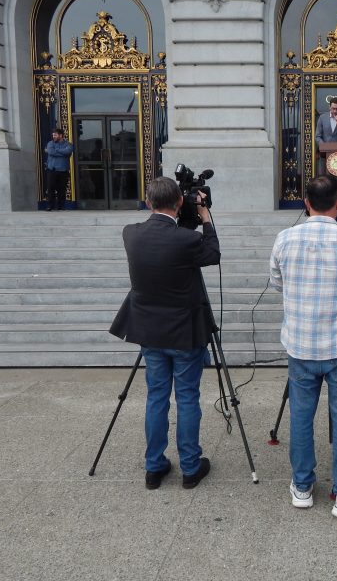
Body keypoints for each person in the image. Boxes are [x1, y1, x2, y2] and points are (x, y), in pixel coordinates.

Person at [270, 175, 337, 520]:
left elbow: (276, 282)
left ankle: (302, 487)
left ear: (306, 203)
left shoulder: (285, 238)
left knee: (301, 417)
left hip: (300, 345)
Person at [109, 177, 220, 490]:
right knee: (187, 398)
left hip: (150, 333)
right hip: (185, 334)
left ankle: (154, 466)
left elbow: (164, 237)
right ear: (180, 203)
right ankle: (189, 467)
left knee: (156, 397)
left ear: (148, 203)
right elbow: (213, 254)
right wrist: (205, 216)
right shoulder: (187, 240)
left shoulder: (131, 234)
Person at [314, 97, 337, 176]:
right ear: (329, 107)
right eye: (333, 108)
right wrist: (324, 146)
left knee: (336, 178)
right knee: (323, 177)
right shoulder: (322, 118)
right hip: (324, 155)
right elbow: (317, 136)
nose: (335, 111)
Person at [44, 128, 74, 211]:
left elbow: (68, 152)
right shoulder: (50, 143)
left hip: (63, 170)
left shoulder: (68, 144)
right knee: (51, 188)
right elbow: (51, 152)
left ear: (61, 135)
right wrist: (62, 152)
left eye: (55, 135)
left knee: (62, 189)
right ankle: (50, 206)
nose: (53, 136)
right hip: (52, 170)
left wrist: (56, 151)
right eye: (53, 135)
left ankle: (61, 206)